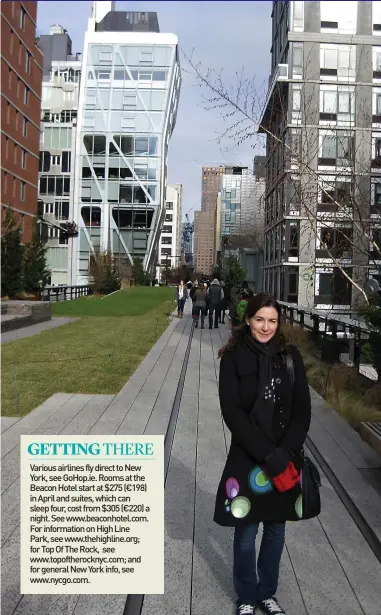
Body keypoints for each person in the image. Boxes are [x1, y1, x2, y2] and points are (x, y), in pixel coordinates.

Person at [214, 293, 311, 615]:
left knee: (275, 529)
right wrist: (266, 454)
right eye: (260, 320)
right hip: (249, 457)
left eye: (272, 320)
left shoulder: (290, 356)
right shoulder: (232, 356)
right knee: (245, 531)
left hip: (284, 456)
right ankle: (245, 597)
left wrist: (286, 452)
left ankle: (267, 593)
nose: (266, 327)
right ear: (248, 320)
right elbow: (232, 413)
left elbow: (302, 411)